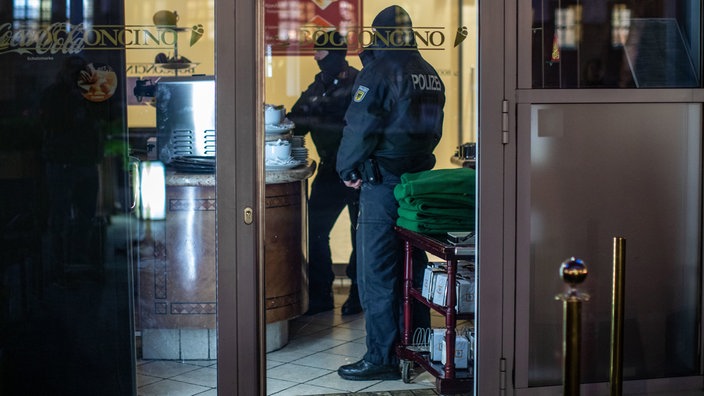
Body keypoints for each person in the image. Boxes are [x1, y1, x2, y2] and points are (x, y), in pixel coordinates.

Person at [335, 5, 446, 380]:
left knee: (378, 272)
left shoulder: (379, 71)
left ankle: (381, 356)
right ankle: (417, 346)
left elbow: (360, 125)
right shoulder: (429, 73)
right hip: (417, 185)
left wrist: (347, 167)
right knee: (414, 269)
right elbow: (435, 129)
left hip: (382, 183)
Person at [286, 31, 362, 315]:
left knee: (361, 236)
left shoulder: (358, 82)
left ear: (335, 54)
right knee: (314, 230)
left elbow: (363, 126)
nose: (315, 56)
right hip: (331, 170)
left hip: (358, 172)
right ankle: (320, 295)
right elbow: (298, 122)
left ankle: (359, 296)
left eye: (320, 52)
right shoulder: (319, 85)